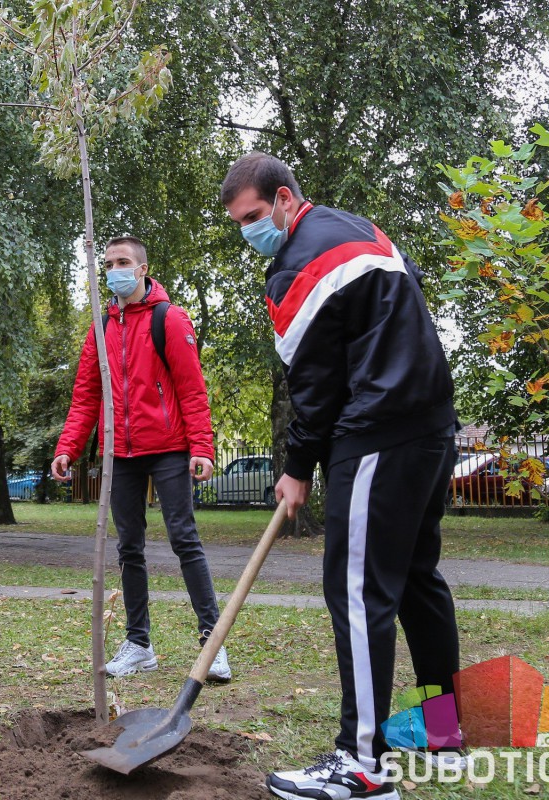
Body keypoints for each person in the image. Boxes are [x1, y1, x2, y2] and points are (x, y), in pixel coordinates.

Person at [220, 152, 460, 800]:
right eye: (238, 223)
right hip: (433, 427)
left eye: (252, 216)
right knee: (417, 581)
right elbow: (408, 300)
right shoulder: (361, 229)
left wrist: (297, 466)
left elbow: (315, 385)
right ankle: (444, 739)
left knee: (358, 593)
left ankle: (362, 764)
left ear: (285, 199)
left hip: (377, 432)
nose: (248, 232)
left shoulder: (295, 267)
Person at [50, 236, 230, 682]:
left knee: (184, 539)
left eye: (123, 262)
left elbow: (192, 389)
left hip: (168, 447)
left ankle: (213, 644)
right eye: (109, 263)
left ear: (143, 268)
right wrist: (68, 447)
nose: (115, 270)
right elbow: (86, 396)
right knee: (129, 547)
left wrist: (202, 448)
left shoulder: (169, 319)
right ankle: (139, 645)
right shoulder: (100, 327)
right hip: (120, 452)